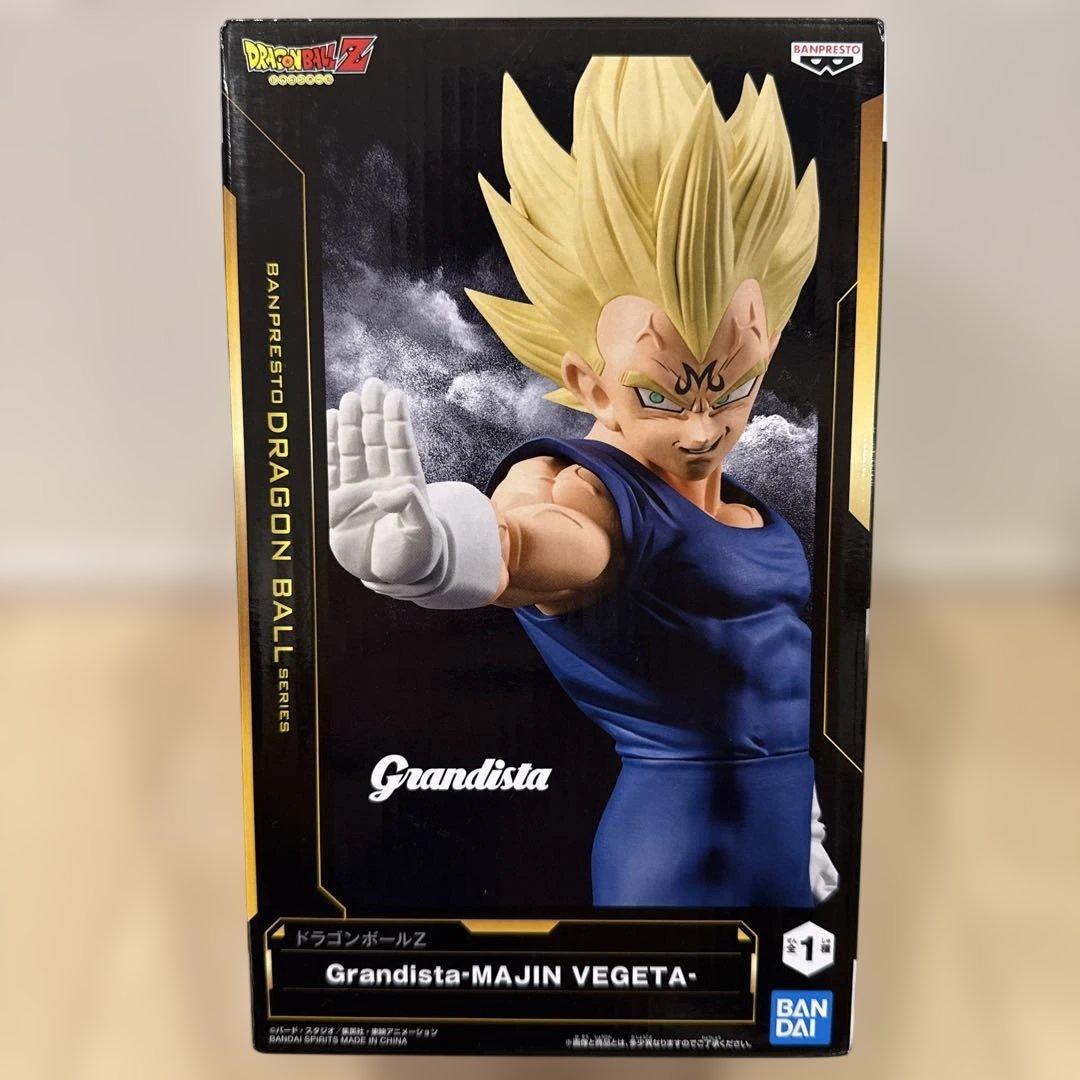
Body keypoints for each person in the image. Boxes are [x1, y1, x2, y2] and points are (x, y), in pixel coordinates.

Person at [327, 56, 838, 907]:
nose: (703, 428)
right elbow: (537, 543)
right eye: (659, 395)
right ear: (588, 381)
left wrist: (803, 811)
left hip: (784, 851)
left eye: (734, 386)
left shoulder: (742, 508)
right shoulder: (589, 492)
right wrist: (440, 554)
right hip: (679, 861)